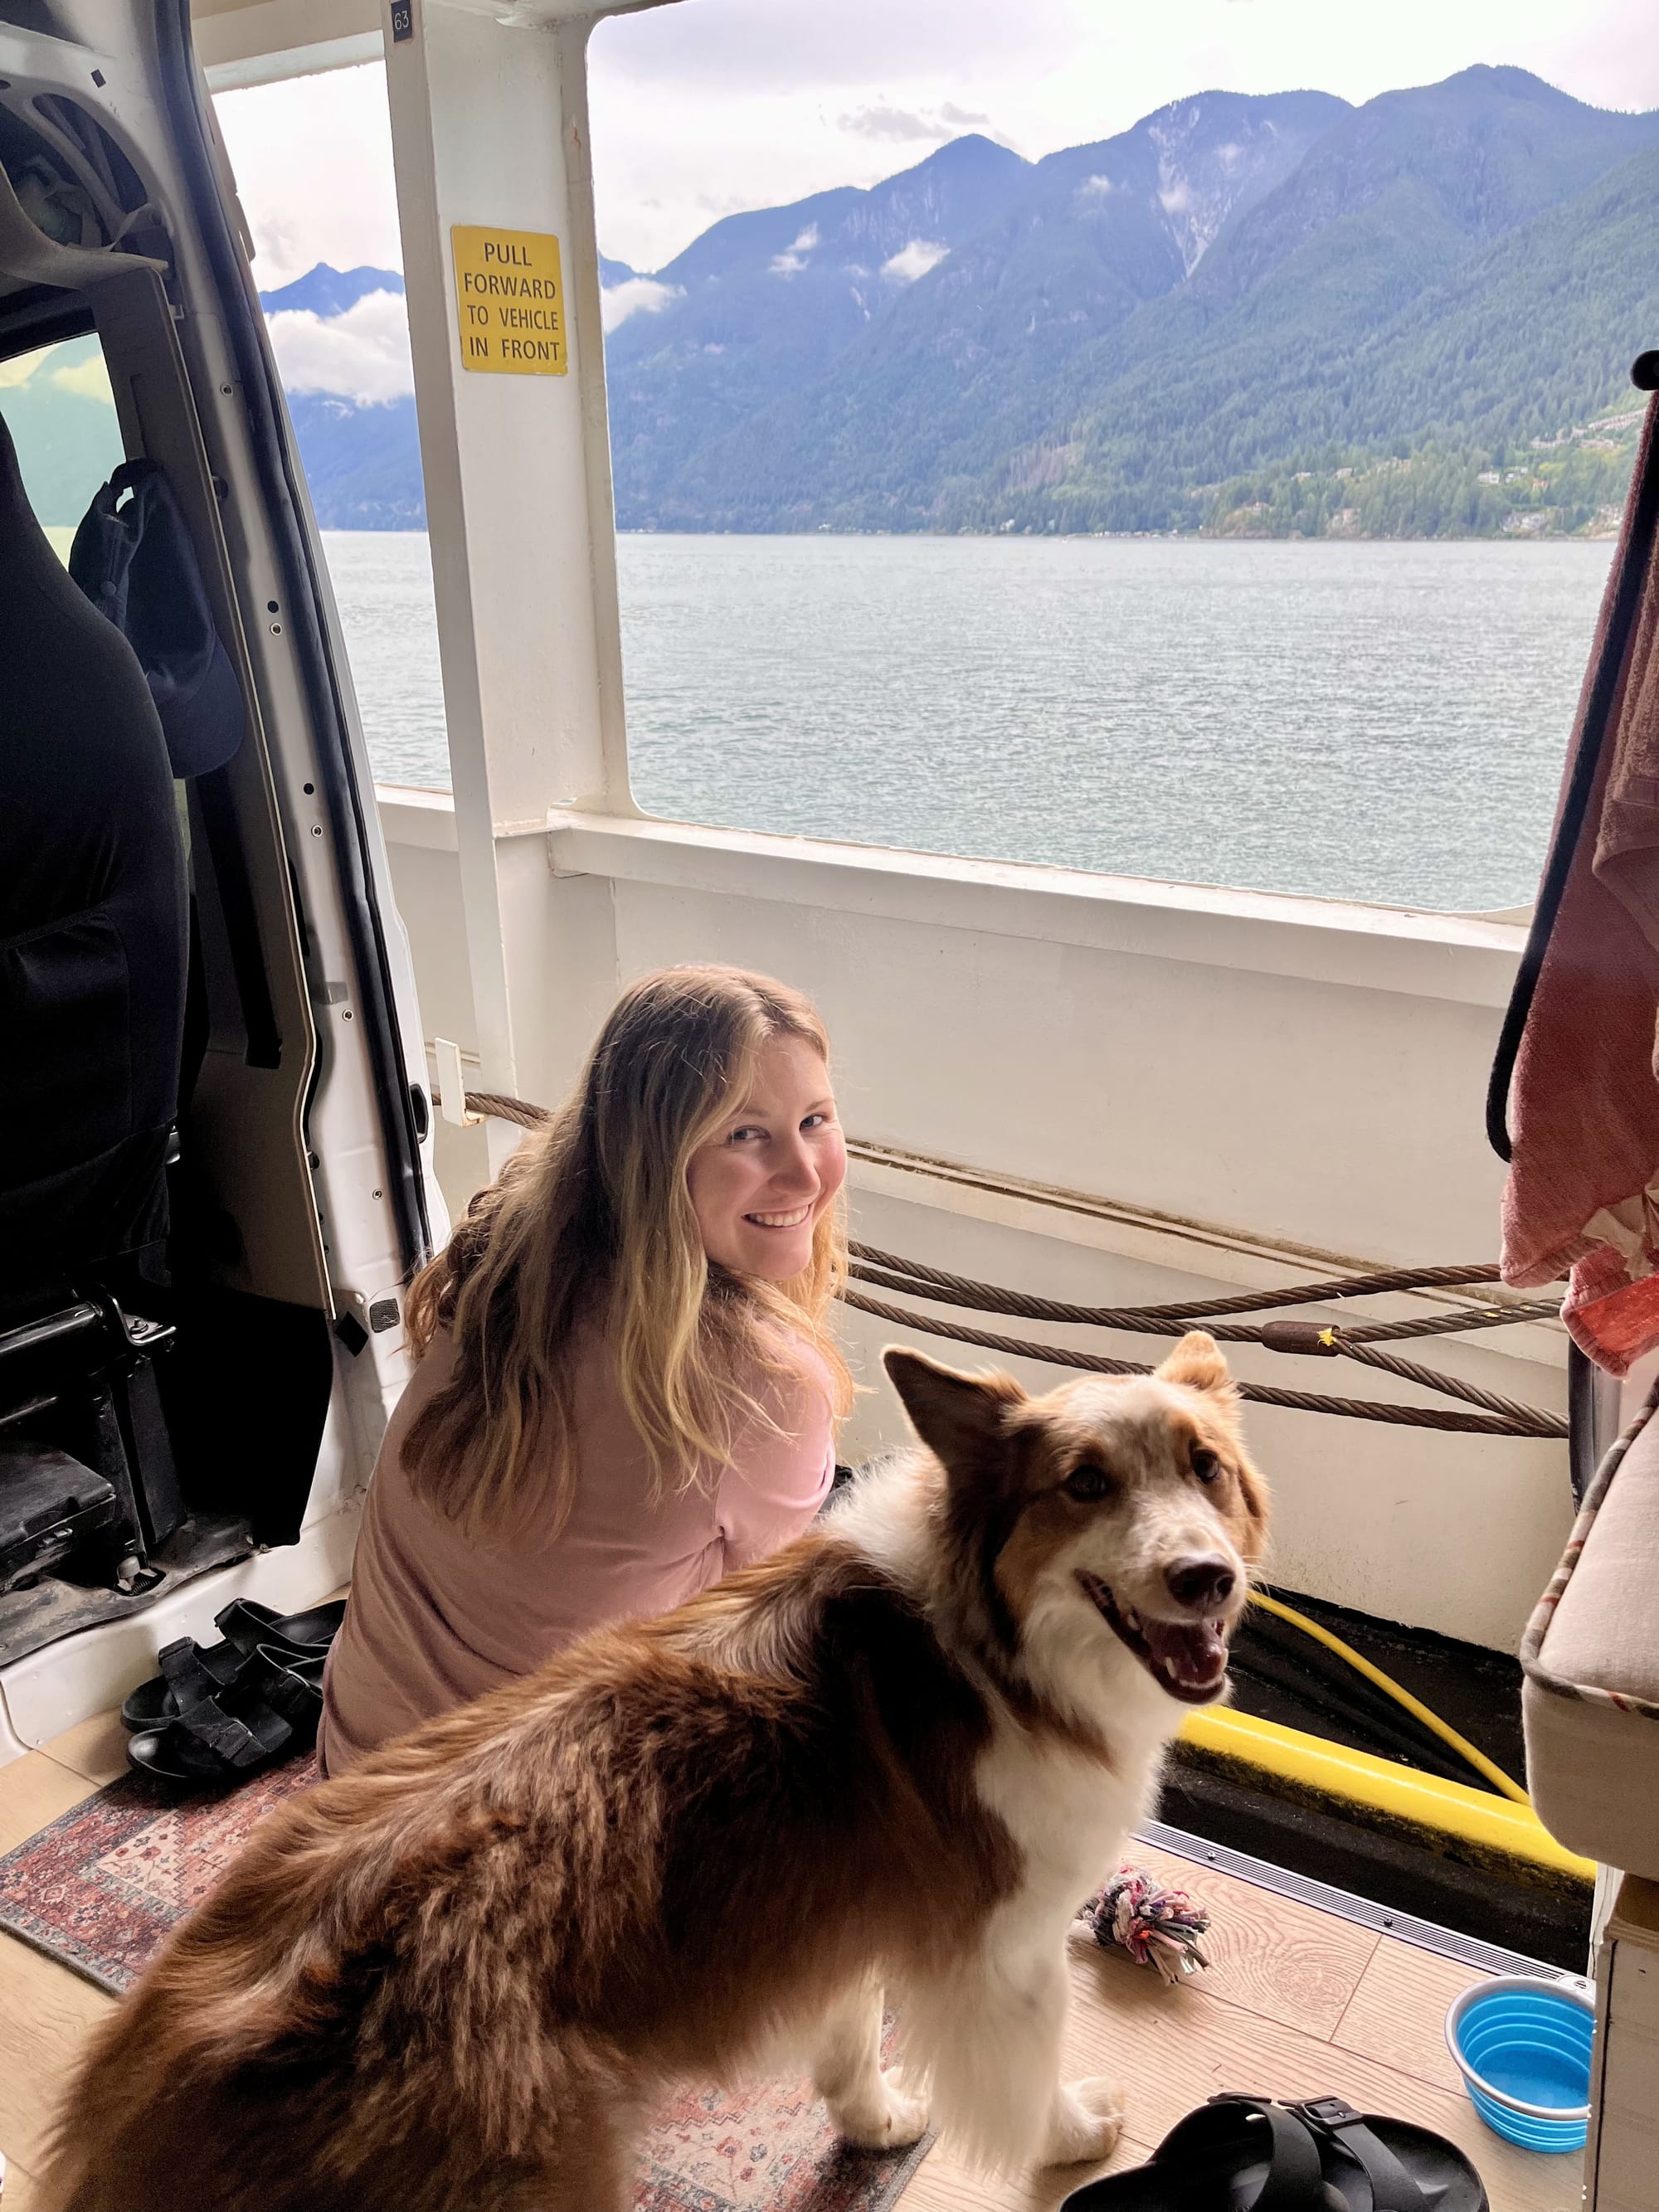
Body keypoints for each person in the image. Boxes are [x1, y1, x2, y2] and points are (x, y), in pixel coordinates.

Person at [317, 965, 850, 1774]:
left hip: (355, 1774)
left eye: (815, 1120)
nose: (805, 1173)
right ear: (654, 1156)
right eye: (745, 1134)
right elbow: (763, 1649)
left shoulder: (507, 1254)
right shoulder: (763, 1386)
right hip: (508, 1829)